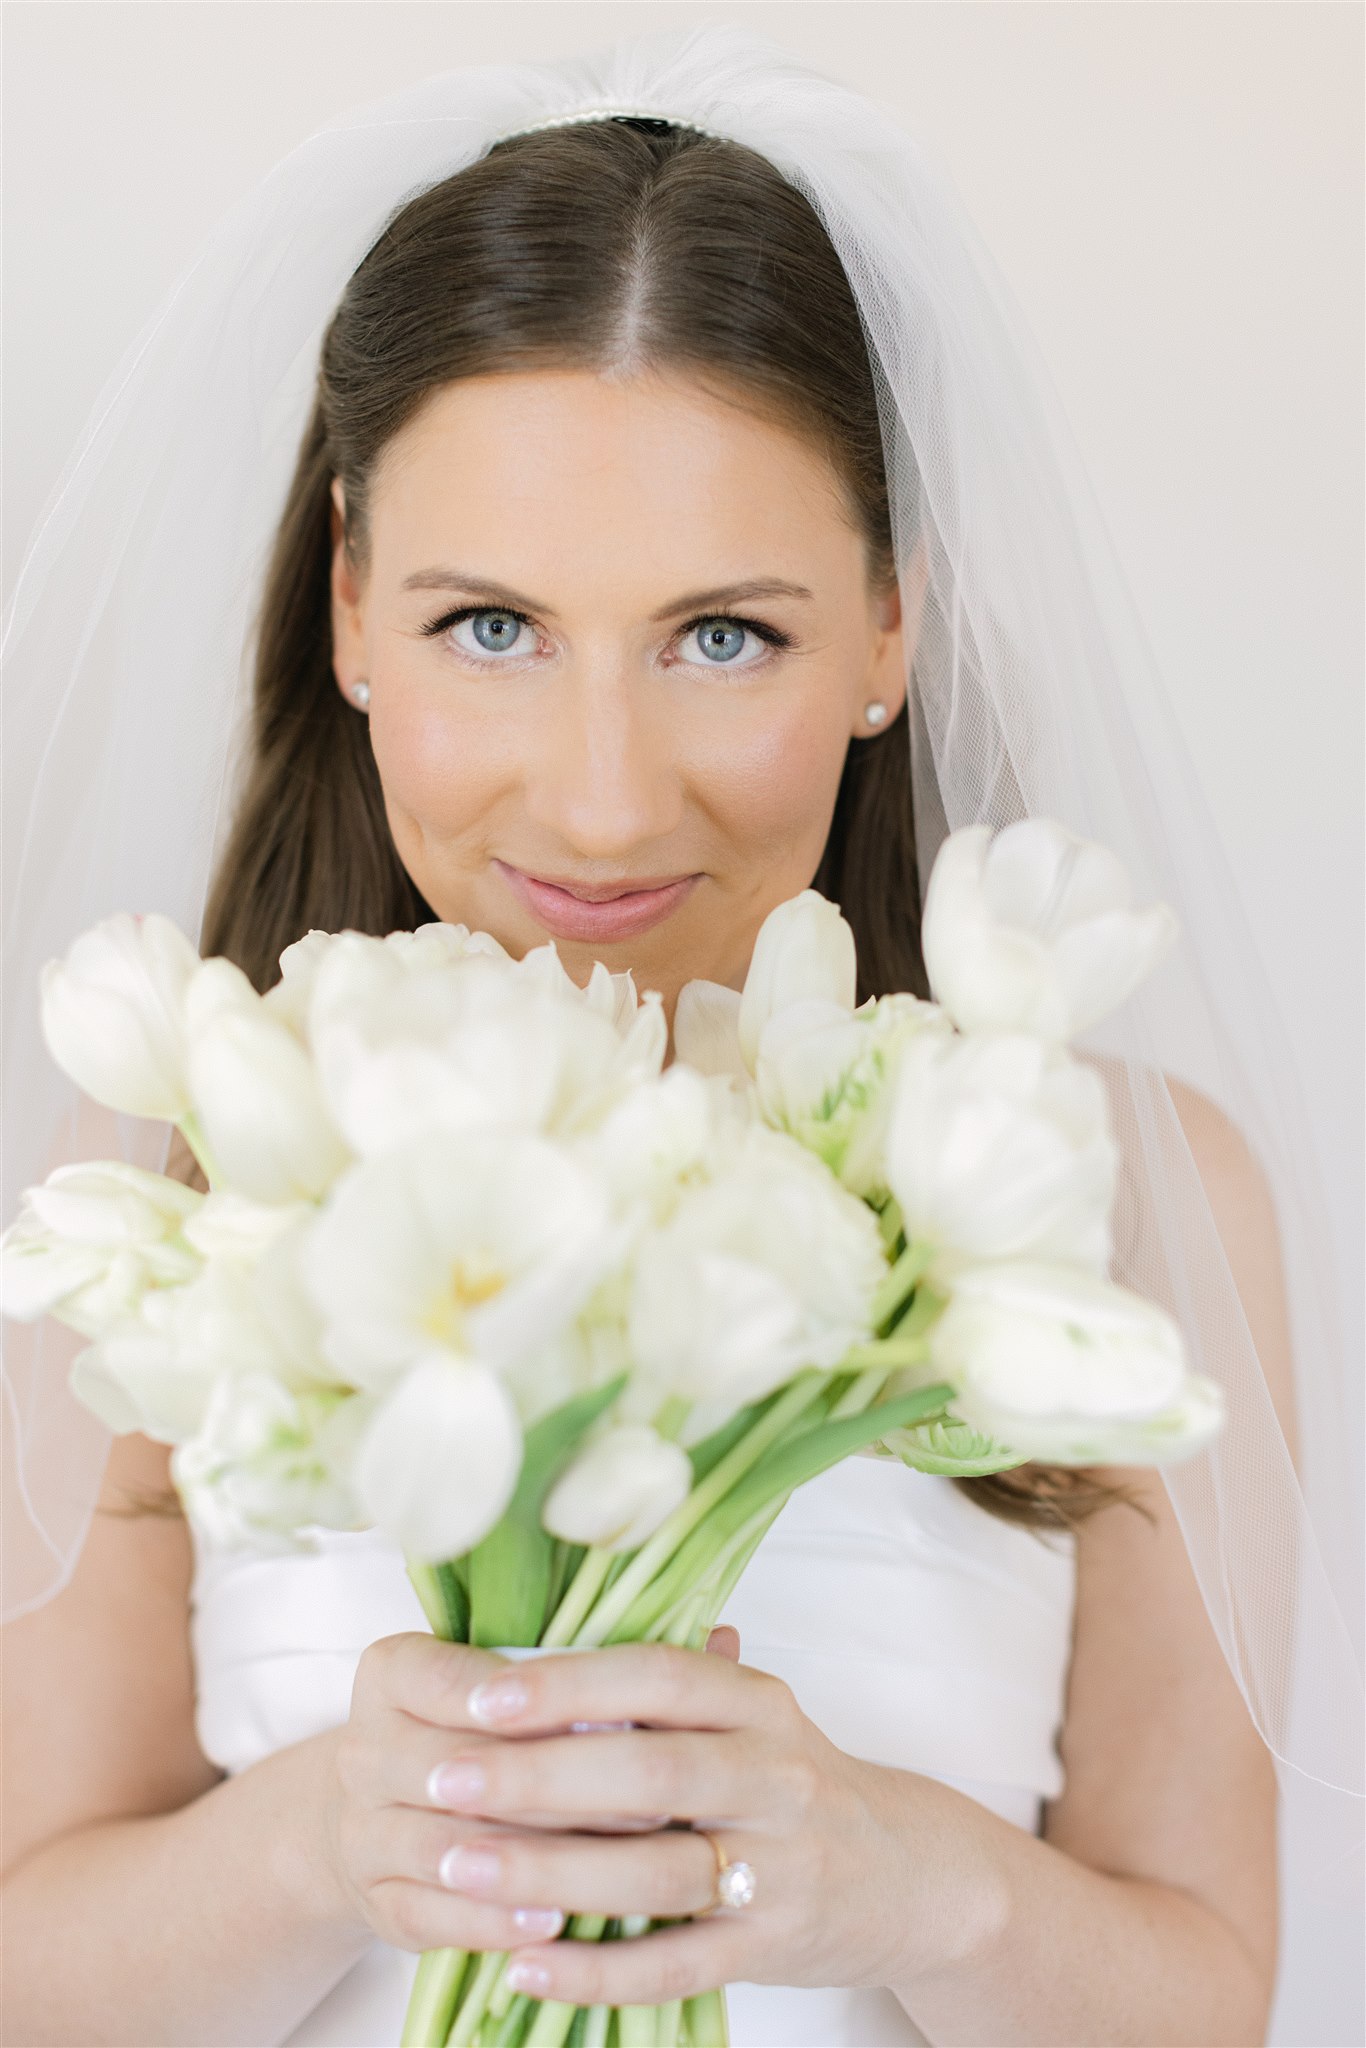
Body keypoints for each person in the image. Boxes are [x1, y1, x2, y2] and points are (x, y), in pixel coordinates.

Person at [2, 26, 1359, 2048]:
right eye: (492, 628)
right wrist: (322, 1842)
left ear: (890, 626)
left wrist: (906, 1879)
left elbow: (1202, 1999)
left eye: (723, 635)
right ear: (353, 605)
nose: (607, 802)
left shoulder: (1115, 1186)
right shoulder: (174, 1161)